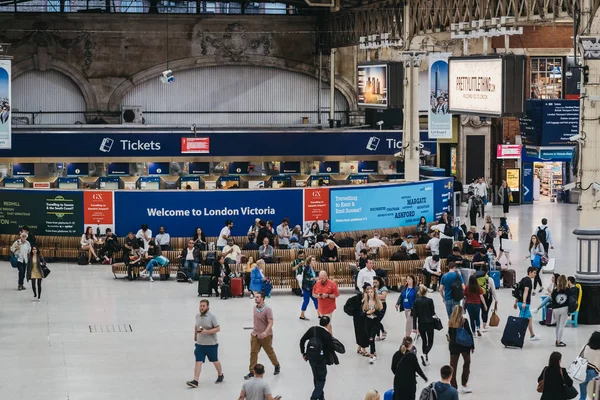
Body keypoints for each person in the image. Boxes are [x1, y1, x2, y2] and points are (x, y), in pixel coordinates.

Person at [186, 299, 224, 388]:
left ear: (208, 307)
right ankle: (195, 380)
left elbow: (218, 328)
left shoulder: (212, 317)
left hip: (211, 345)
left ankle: (220, 374)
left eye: (203, 306)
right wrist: (195, 335)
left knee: (215, 360)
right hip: (200, 344)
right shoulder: (197, 316)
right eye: (200, 306)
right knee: (198, 361)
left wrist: (207, 332)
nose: (202, 308)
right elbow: (196, 326)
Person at [299, 316, 338, 400]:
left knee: (316, 377)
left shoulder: (312, 329)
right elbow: (331, 347)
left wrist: (303, 353)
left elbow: (302, 340)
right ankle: (314, 397)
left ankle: (321, 397)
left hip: (310, 356)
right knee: (322, 378)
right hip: (320, 358)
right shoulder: (326, 334)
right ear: (328, 324)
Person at [245, 292, 281, 380]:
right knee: (253, 353)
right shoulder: (254, 308)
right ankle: (252, 371)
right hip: (255, 334)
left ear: (262, 298)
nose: (255, 298)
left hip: (266, 335)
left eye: (257, 297)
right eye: (255, 297)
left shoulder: (267, 309)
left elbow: (271, 322)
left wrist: (265, 332)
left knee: (269, 351)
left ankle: (276, 365)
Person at [447, 305, 474, 393]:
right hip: (464, 345)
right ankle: (464, 383)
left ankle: (453, 386)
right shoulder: (464, 321)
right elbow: (469, 333)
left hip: (454, 346)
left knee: (453, 366)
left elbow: (450, 335)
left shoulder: (451, 322)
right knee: (467, 362)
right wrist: (472, 346)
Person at [514, 267, 541, 341]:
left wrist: (516, 302)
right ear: (530, 272)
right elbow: (526, 291)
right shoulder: (528, 281)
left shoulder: (523, 279)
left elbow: (519, 292)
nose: (535, 274)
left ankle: (532, 335)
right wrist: (524, 302)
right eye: (534, 273)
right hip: (525, 304)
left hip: (520, 302)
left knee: (529, 318)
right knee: (522, 321)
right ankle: (518, 336)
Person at [412, 285, 436, 367]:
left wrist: (414, 327)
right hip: (429, 323)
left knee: (424, 341)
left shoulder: (416, 301)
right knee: (430, 341)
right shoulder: (430, 301)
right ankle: (425, 354)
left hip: (421, 323)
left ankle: (426, 358)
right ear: (426, 292)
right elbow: (433, 312)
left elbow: (414, 315)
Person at [362, 285, 383, 364]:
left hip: (375, 322)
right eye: (369, 292)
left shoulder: (378, 302)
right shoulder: (366, 302)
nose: (370, 294)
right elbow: (362, 313)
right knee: (369, 338)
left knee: (371, 338)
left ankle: (371, 355)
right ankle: (374, 352)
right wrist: (367, 313)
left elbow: (380, 313)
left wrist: (374, 312)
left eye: (372, 292)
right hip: (367, 322)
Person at [578, 331, 600, 400]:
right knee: (594, 394)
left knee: (582, 395)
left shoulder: (584, 347)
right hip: (594, 373)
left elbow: (579, 357)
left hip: (582, 373)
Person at [550, 275, 570, 347]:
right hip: (564, 308)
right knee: (561, 326)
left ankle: (557, 339)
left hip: (556, 309)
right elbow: (570, 301)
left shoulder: (555, 290)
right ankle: (559, 341)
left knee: (557, 325)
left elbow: (552, 300)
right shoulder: (568, 290)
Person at [298, 256, 319, 321]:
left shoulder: (313, 269)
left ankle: (319, 315)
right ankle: (302, 315)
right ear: (309, 261)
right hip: (307, 288)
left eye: (314, 260)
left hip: (312, 287)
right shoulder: (307, 268)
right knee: (306, 301)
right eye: (313, 260)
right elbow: (306, 279)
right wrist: (313, 279)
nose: (314, 261)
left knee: (316, 300)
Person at [373, 276, 388, 341]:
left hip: (382, 305)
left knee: (377, 320)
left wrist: (374, 296)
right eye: (373, 282)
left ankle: (383, 331)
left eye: (376, 282)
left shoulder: (383, 288)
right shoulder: (373, 288)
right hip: (375, 305)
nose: (374, 284)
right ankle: (378, 335)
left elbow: (383, 296)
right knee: (375, 320)